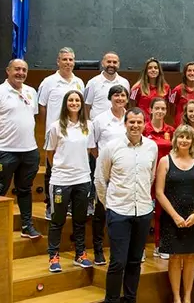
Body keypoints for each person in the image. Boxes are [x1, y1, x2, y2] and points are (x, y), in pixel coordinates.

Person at [95, 107, 158, 303]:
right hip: (118, 212)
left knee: (134, 262)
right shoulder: (112, 147)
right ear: (125, 123)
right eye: (131, 122)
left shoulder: (152, 147)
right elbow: (100, 180)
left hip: (141, 211)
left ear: (144, 124)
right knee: (118, 262)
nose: (135, 126)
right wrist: (109, 205)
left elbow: (150, 177)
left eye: (139, 122)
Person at [0, 59, 41, 238]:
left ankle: (27, 226)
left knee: (25, 189)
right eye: (17, 69)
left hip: (29, 150)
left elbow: (30, 117)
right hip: (5, 150)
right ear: (8, 71)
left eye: (24, 70)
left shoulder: (31, 92)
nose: (20, 73)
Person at [155, 125, 194, 303]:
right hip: (173, 218)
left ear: (193, 140)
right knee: (175, 257)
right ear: (175, 139)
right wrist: (175, 216)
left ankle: (187, 298)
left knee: (190, 258)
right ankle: (176, 299)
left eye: (188, 137)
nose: (184, 141)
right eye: (181, 137)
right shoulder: (165, 161)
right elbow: (159, 192)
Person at [44, 90, 96, 272]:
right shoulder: (56, 126)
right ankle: (53, 256)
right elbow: (50, 153)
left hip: (82, 179)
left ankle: (80, 254)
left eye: (77, 100)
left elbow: (89, 152)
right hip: (60, 180)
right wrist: (61, 168)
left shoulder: (88, 125)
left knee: (80, 219)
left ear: (82, 103)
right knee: (57, 220)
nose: (74, 103)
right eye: (71, 100)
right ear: (66, 103)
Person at [37, 47, 85, 220]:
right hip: (56, 134)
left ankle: (70, 205)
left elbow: (81, 108)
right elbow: (41, 107)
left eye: (71, 59)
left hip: (75, 134)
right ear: (58, 61)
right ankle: (51, 206)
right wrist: (50, 127)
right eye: (65, 59)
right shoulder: (48, 82)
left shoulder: (79, 82)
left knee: (74, 168)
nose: (68, 63)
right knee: (52, 169)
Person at [90, 85, 130, 266]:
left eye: (123, 95)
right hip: (105, 172)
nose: (119, 98)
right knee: (101, 212)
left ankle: (123, 249)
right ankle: (98, 249)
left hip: (126, 172)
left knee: (124, 212)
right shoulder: (99, 120)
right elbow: (92, 146)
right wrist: (106, 162)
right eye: (116, 95)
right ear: (110, 98)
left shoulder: (131, 118)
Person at [143, 97, 175, 260]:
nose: (160, 111)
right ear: (151, 110)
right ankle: (140, 248)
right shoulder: (144, 129)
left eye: (163, 109)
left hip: (165, 177)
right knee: (144, 211)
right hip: (146, 176)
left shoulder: (170, 130)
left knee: (162, 213)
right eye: (157, 108)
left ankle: (160, 245)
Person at [84, 51, 130, 120]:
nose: (111, 65)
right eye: (108, 62)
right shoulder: (92, 82)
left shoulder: (124, 83)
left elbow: (125, 105)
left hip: (118, 124)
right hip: (97, 126)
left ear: (118, 64)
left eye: (114, 62)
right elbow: (86, 106)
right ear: (102, 63)